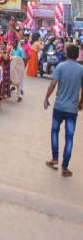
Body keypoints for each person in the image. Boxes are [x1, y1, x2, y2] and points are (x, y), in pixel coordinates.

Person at [44, 44, 83, 177]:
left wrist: (46, 98)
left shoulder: (61, 66)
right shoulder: (81, 70)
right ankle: (65, 167)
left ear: (66, 53)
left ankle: (55, 158)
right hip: (72, 109)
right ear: (77, 55)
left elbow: (53, 84)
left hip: (59, 107)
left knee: (55, 131)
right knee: (69, 138)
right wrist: (80, 103)